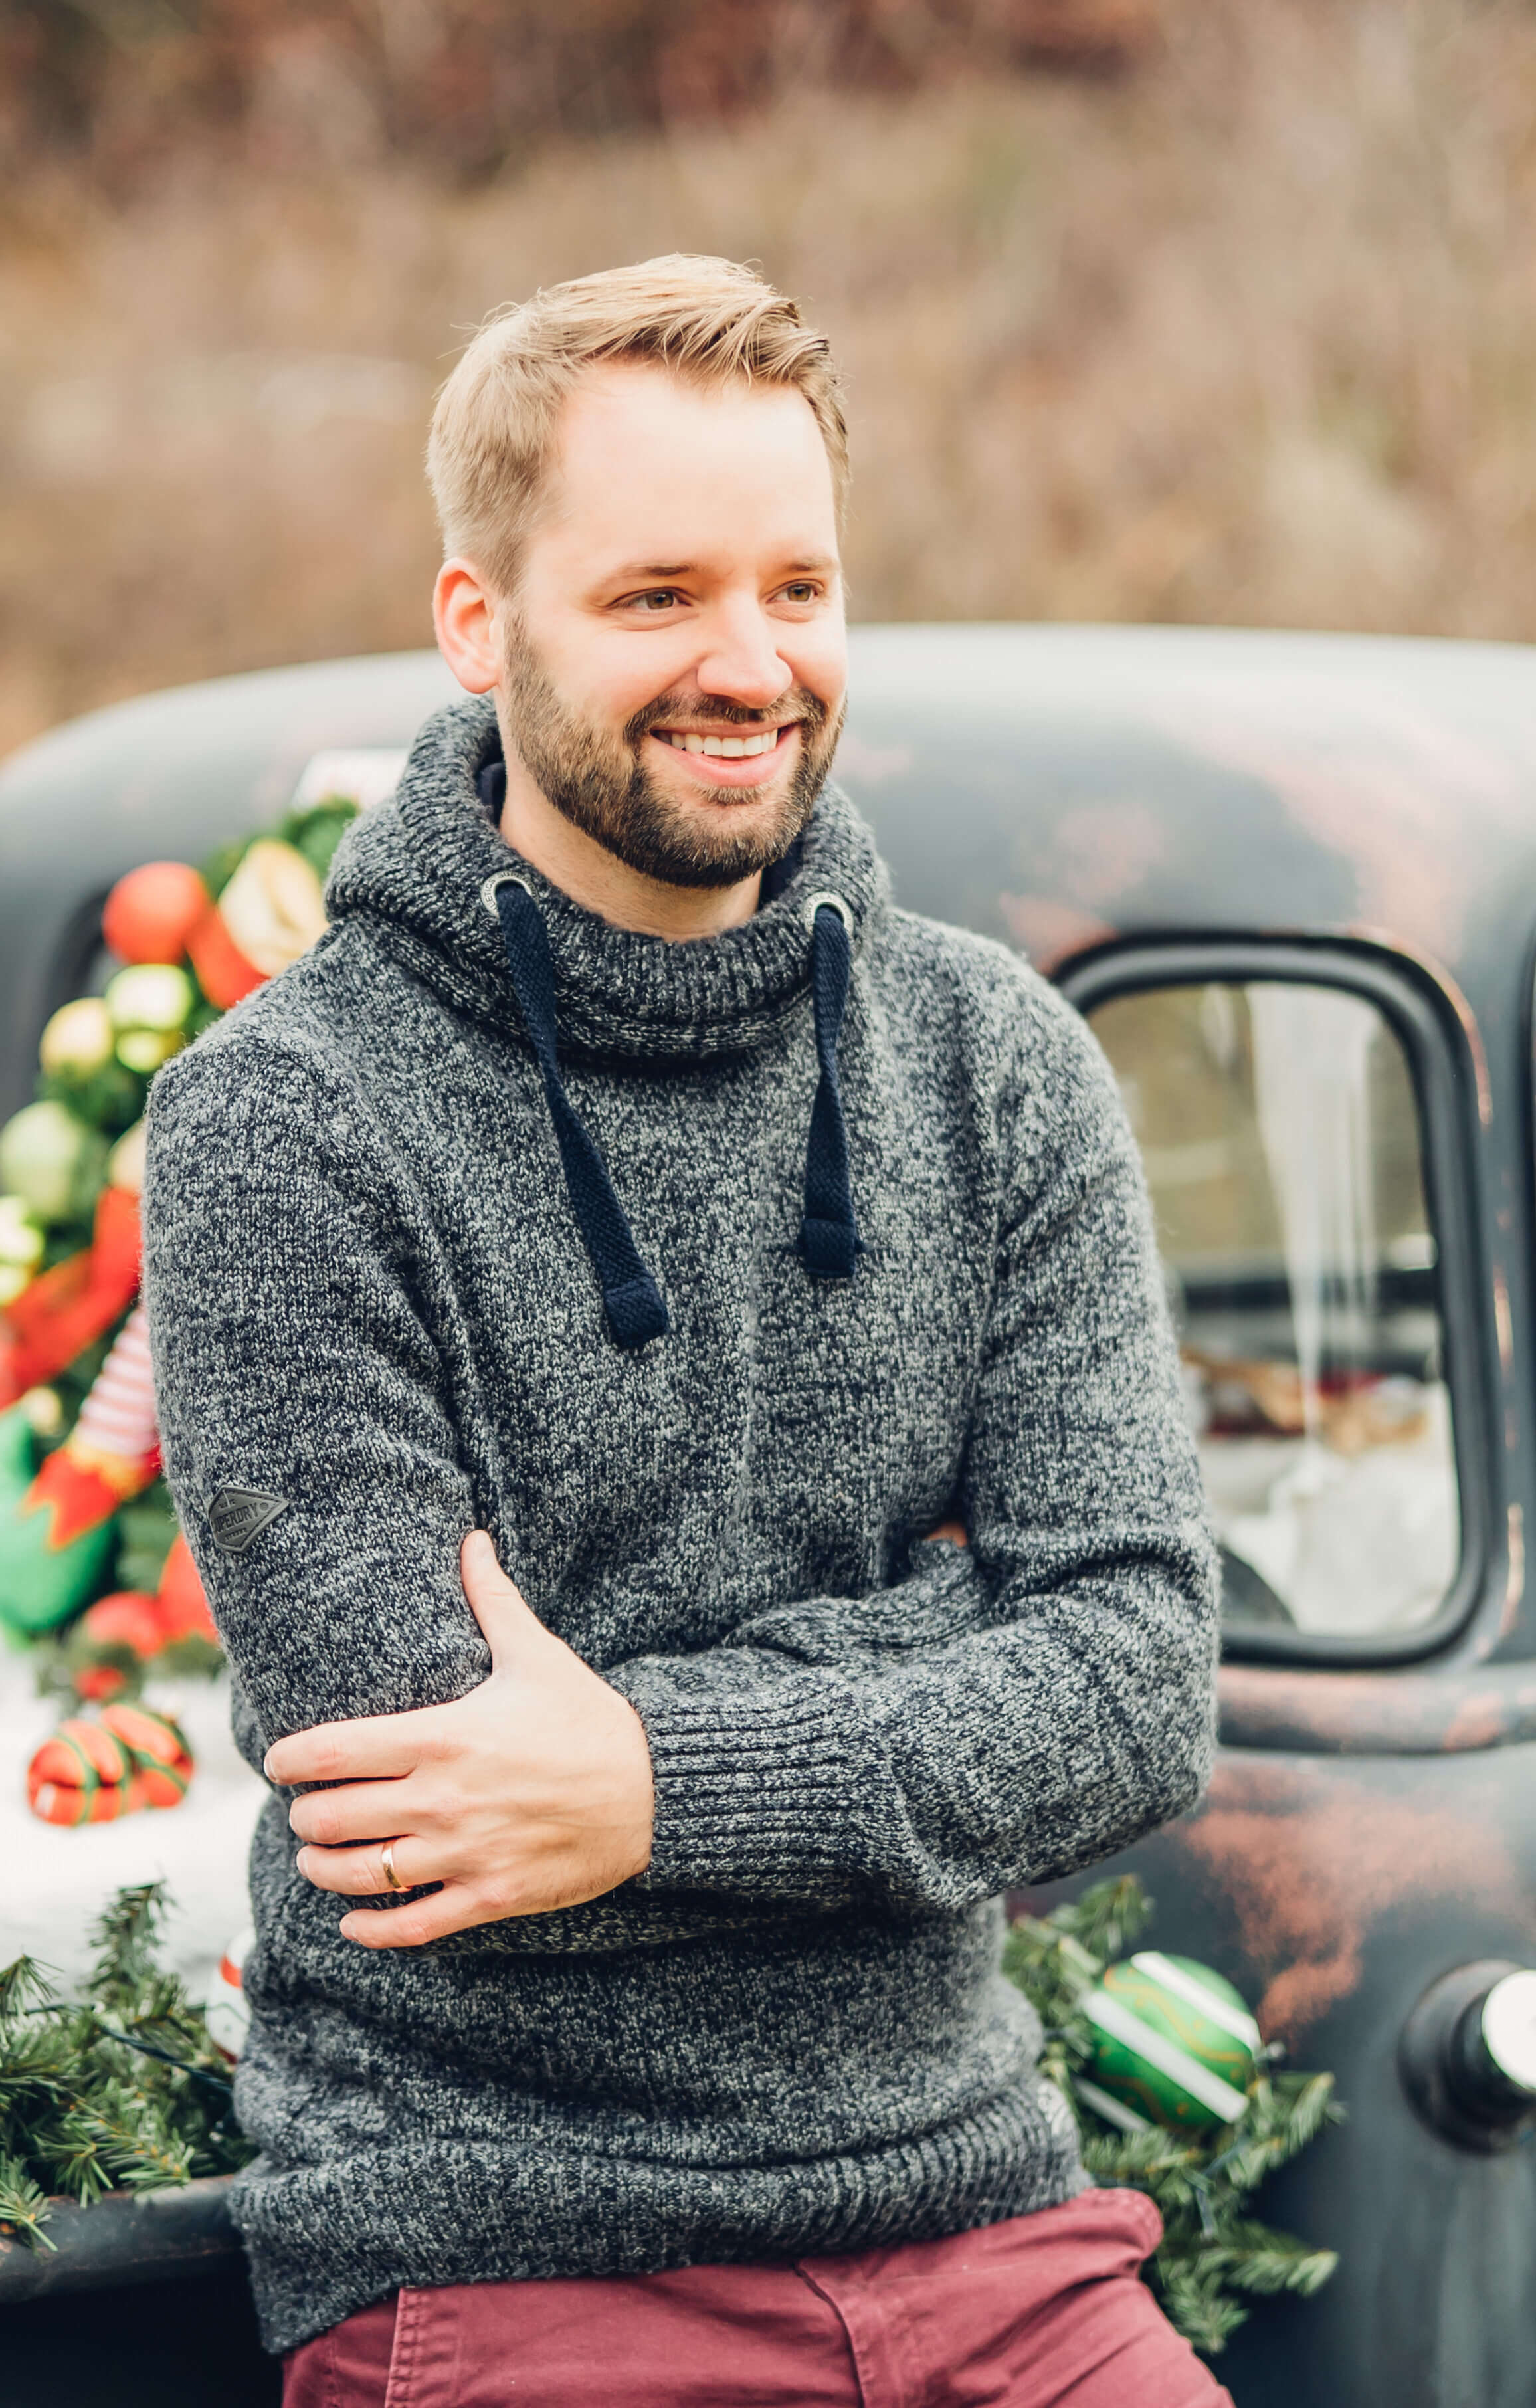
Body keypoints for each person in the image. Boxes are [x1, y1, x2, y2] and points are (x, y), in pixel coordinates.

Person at [140, 254, 1228, 2408]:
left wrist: (648, 1776)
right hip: (512, 2245)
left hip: (988, 2224)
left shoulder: (987, 1059)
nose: (750, 665)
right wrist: (936, 1641)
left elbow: (1135, 1681)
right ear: (482, 625)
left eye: (798, 587)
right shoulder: (281, 1120)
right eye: (656, 598)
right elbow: (424, 1803)